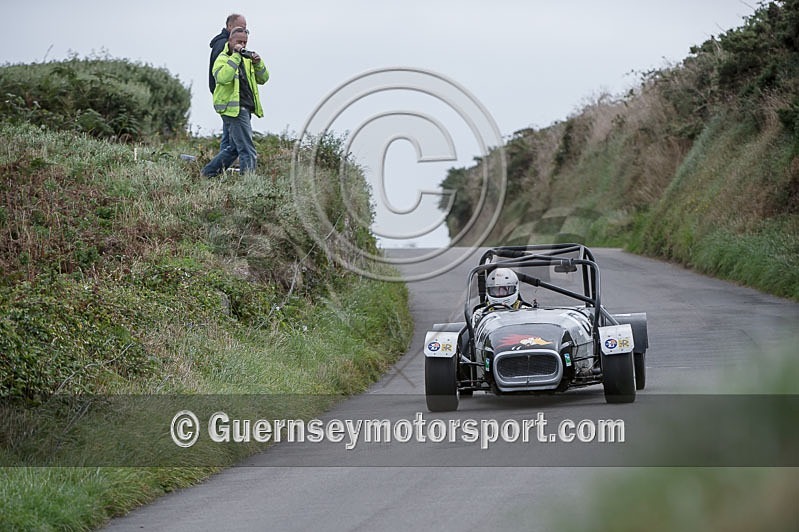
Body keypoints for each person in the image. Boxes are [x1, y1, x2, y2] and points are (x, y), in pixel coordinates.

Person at [202, 27, 269, 176]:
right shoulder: (223, 58)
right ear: (230, 41)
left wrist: (258, 63)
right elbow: (223, 78)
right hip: (234, 110)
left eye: (245, 42)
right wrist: (236, 56)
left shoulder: (247, 58)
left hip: (245, 107)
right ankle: (248, 183)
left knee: (234, 148)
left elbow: (264, 79)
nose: (242, 45)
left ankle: (208, 173)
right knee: (247, 148)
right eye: (239, 42)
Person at [203, 14, 247, 177]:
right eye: (241, 27)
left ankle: (216, 172)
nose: (244, 31)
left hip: (230, 99)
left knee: (230, 140)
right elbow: (221, 74)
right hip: (229, 99)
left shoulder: (223, 44)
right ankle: (211, 171)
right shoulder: (224, 46)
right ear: (230, 27)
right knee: (233, 143)